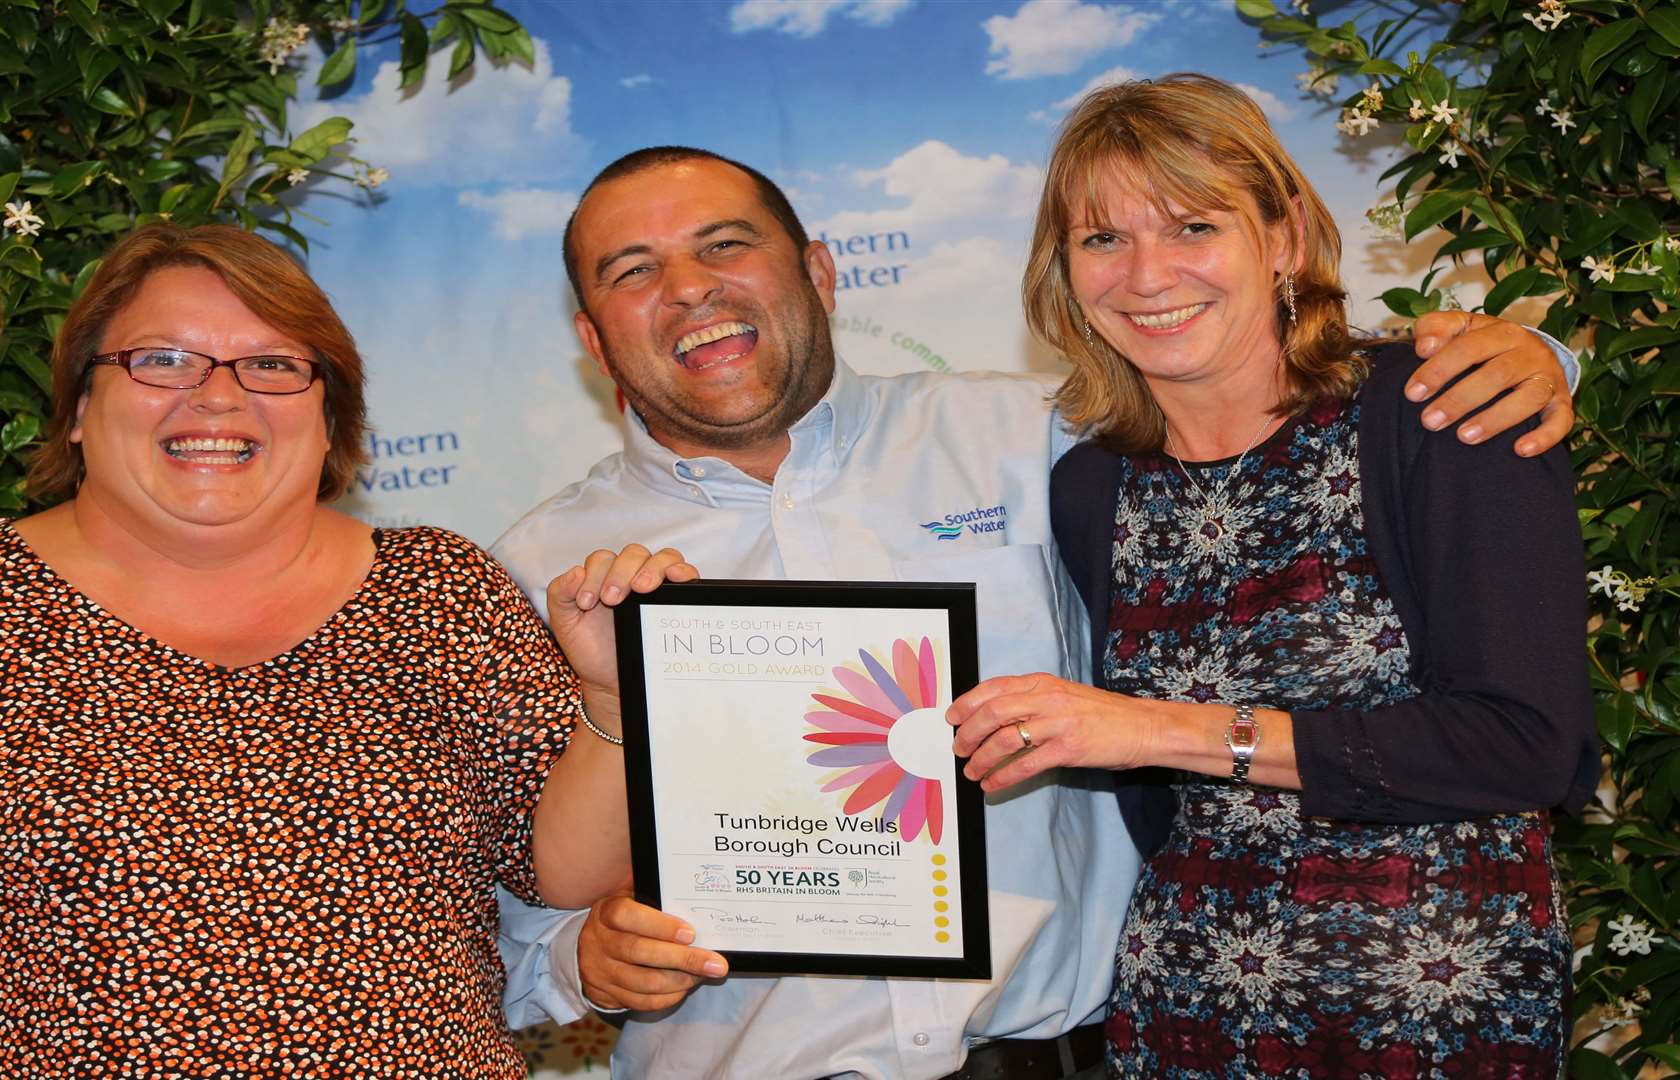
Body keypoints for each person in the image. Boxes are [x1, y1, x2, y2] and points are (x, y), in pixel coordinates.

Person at [491, 144, 1581, 1079]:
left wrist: (1522, 360)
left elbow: (1257, 380)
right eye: (635, 271)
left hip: (1076, 1052)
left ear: (819, 273)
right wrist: (577, 961)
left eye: (727, 246)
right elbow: (505, 903)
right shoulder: (536, 569)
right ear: (594, 339)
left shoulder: (1044, 436)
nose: (690, 288)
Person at [0, 223, 651, 1078]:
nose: (219, 396)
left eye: (271, 364)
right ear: (76, 405)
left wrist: (609, 703)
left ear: (330, 413)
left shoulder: (444, 592)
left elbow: (561, 873)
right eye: (163, 359)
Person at [946, 74, 1595, 1076]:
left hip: (1437, 1013)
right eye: (1103, 239)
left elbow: (1525, 745)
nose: (1147, 275)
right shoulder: (1089, 485)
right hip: (1186, 1005)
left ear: (1284, 236)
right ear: (1063, 269)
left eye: (1192, 226)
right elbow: (1159, 805)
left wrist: (1160, 727)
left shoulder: (1438, 412)